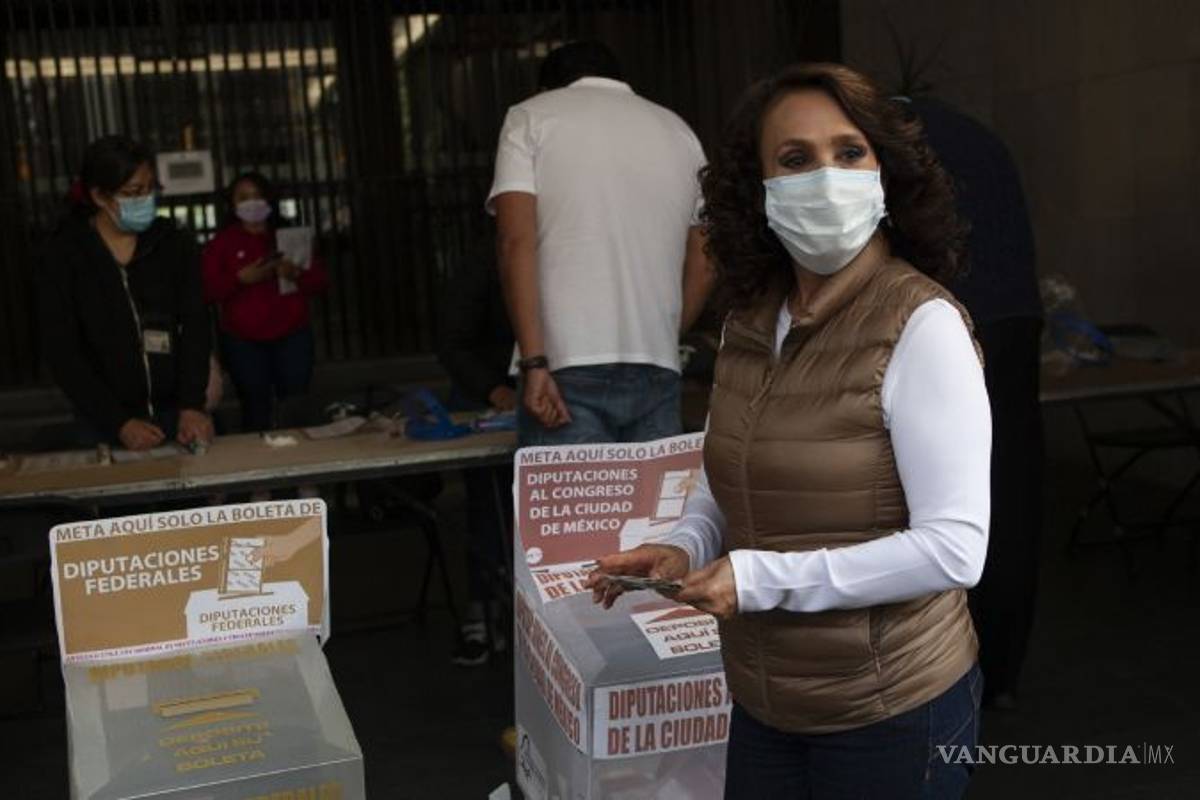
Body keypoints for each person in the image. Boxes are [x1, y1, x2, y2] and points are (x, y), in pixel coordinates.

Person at [586, 63, 992, 799]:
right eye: (796, 159)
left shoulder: (920, 324)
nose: (826, 177)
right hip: (768, 702)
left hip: (890, 708)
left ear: (885, 174)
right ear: (759, 187)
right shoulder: (749, 320)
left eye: (850, 152)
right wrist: (685, 544)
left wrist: (758, 579)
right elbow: (731, 472)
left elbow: (955, 548)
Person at [487, 40, 713, 447]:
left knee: (576, 510)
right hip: (656, 364)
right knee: (653, 510)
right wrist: (666, 331)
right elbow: (708, 254)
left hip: (564, 364)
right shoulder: (678, 129)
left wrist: (534, 361)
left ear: (547, 88)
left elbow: (514, 242)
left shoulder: (529, 117)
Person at [906, 96, 1044, 711]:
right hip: (1015, 317)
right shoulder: (979, 133)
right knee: (1011, 491)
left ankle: (943, 666)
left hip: (947, 317)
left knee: (933, 498)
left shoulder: (891, 142)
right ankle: (1003, 672)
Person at [37, 135, 213, 450]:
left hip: (176, 415)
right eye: (133, 192)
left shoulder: (173, 244)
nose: (145, 199)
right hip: (102, 421)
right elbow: (63, 352)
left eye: (150, 189)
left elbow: (196, 325)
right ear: (100, 196)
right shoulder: (65, 255)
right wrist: (118, 422)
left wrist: (192, 405)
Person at [202, 172, 328, 432]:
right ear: (233, 204)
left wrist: (296, 274)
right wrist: (240, 278)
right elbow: (207, 290)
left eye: (258, 195)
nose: (252, 202)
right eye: (244, 197)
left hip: (293, 335)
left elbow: (321, 282)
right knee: (255, 406)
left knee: (294, 404)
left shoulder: (290, 236)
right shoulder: (222, 243)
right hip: (243, 341)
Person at [437, 256, 516, 666]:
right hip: (483, 401)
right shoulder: (478, 268)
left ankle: (527, 616)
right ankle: (483, 613)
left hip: (551, 399)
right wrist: (494, 390)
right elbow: (453, 343)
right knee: (489, 510)